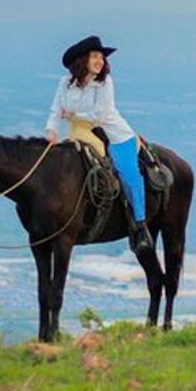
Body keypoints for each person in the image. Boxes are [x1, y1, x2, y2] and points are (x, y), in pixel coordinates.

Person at [45, 35, 153, 253]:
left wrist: (73, 114)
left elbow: (100, 114)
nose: (100, 61)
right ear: (82, 59)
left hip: (113, 134)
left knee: (129, 176)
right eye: (95, 56)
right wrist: (51, 131)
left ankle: (140, 226)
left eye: (101, 57)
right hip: (79, 131)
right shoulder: (65, 83)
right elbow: (56, 109)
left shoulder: (105, 83)